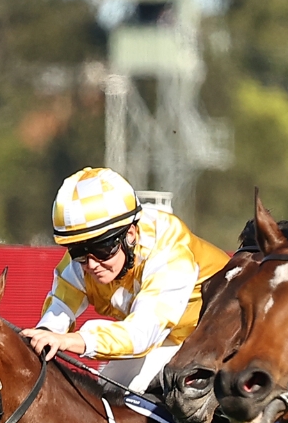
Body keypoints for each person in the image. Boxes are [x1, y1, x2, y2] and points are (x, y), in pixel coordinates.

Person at [24, 167, 230, 394]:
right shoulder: (86, 258)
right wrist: (44, 333)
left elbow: (141, 335)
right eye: (78, 251)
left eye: (102, 248)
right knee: (103, 392)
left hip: (219, 340)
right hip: (166, 340)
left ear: (130, 235)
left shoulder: (170, 253)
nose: (91, 264)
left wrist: (71, 340)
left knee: (124, 392)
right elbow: (59, 308)